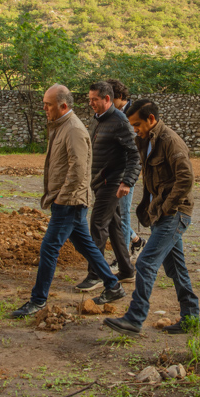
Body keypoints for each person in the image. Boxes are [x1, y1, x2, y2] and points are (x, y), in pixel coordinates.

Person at [9, 84, 126, 318]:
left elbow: (78, 169)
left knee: (49, 248)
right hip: (67, 200)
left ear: (63, 106)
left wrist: (62, 198)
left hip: (69, 202)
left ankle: (38, 300)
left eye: (48, 105)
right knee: (86, 246)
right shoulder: (61, 125)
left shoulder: (73, 129)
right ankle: (113, 286)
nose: (44, 108)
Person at [104, 99, 199, 336]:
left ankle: (134, 319)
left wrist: (166, 207)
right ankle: (191, 317)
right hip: (161, 213)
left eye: (137, 124)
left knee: (145, 262)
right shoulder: (145, 140)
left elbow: (186, 178)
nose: (134, 129)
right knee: (176, 268)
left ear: (151, 119)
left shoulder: (170, 141)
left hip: (175, 213)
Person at [75, 81, 141, 291]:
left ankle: (95, 275)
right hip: (99, 181)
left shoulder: (120, 121)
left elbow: (135, 154)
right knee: (114, 226)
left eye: (94, 99)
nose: (91, 103)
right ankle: (127, 270)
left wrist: (127, 181)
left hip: (111, 183)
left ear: (107, 99)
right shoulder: (98, 119)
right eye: (90, 99)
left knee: (97, 226)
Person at [105, 78, 144, 258]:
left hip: (127, 171)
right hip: (113, 171)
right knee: (114, 214)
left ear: (120, 96)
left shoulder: (134, 114)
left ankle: (122, 258)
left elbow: (137, 147)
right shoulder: (111, 114)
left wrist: (129, 177)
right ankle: (136, 241)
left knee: (121, 213)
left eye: (111, 98)